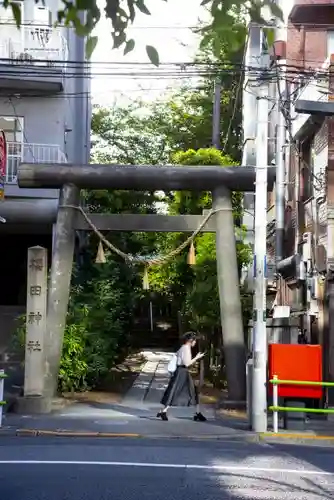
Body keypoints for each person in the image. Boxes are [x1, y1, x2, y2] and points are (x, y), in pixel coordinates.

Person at [157, 331, 206, 422]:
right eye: (194, 340)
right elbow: (187, 363)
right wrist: (197, 357)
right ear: (191, 340)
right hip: (182, 372)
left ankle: (197, 413)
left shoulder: (182, 348)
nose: (195, 342)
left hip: (181, 372)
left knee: (188, 391)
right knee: (177, 391)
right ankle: (163, 411)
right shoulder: (186, 349)